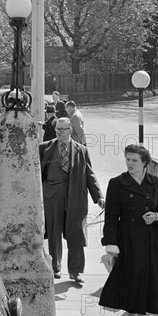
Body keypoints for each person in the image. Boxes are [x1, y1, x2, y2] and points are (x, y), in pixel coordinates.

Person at [99, 145, 158, 316]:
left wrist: (156, 216)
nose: (130, 163)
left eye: (134, 160)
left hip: (151, 241)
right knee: (132, 285)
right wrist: (111, 244)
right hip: (128, 241)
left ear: (145, 163)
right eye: (128, 159)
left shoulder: (156, 183)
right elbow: (111, 217)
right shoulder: (117, 183)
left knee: (147, 283)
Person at [39, 117, 104, 283]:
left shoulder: (82, 150)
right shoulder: (45, 148)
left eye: (63, 129)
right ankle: (55, 267)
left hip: (76, 197)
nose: (59, 132)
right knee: (54, 232)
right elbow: (36, 174)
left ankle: (76, 271)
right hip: (52, 197)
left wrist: (98, 196)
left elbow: (89, 174)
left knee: (76, 234)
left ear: (70, 130)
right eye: (57, 129)